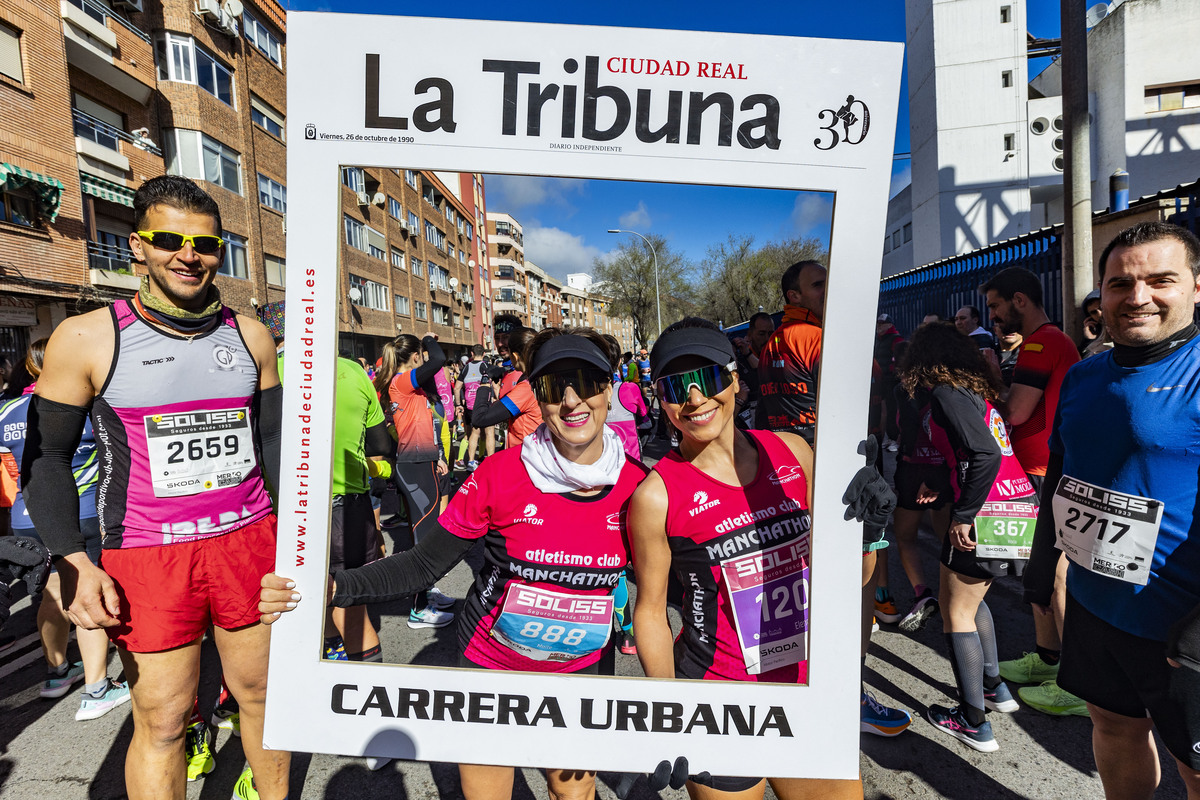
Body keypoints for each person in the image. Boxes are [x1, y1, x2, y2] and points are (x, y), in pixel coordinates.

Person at [261, 328, 649, 800]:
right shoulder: (498, 475)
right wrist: (333, 589)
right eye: (552, 387)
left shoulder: (641, 488)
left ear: (609, 389)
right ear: (536, 395)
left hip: (581, 675)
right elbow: (423, 565)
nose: (571, 401)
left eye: (587, 382)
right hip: (490, 672)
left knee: (573, 795)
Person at [20, 175, 288, 800]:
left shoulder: (250, 335)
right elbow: (46, 460)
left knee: (265, 697)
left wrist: (299, 545)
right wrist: (75, 561)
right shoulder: (87, 336)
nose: (188, 255)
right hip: (147, 551)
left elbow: (273, 446)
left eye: (205, 244)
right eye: (168, 239)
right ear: (137, 245)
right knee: (165, 720)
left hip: (247, 540)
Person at [629, 318, 901, 800]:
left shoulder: (794, 452)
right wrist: (666, 713)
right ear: (660, 399)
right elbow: (650, 609)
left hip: (806, 689)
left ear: (735, 379)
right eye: (675, 387)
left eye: (709, 378)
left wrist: (869, 535)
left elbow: (848, 579)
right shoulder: (656, 496)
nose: (694, 399)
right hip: (719, 699)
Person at [1024, 221, 1200, 798]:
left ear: (1195, 287)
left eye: (1161, 280)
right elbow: (1062, 476)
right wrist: (1039, 561)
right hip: (1096, 605)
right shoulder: (1084, 375)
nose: (1138, 296)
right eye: (1121, 283)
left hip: (1178, 622)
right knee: (1113, 726)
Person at [898, 322, 1033, 752]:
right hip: (1018, 503)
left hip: (987, 511)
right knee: (973, 602)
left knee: (957, 611)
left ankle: (973, 721)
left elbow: (985, 453)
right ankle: (994, 688)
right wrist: (943, 481)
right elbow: (973, 453)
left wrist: (964, 513)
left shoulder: (945, 393)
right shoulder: (975, 391)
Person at [0, 340, 130, 721]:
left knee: (52, 594)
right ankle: (97, 688)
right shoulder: (82, 405)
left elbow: (11, 467)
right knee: (87, 590)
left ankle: (57, 674)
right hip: (82, 513)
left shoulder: (6, 410)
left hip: (27, 516)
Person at [981, 266, 1082, 714]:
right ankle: (1048, 660)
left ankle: (1078, 683)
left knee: (1056, 575)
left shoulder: (1042, 342)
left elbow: (1016, 413)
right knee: (1040, 575)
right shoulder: (1047, 342)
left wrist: (987, 378)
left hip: (1044, 471)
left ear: (1019, 300)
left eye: (997, 306)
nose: (995, 316)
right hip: (1041, 468)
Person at [373, 334, 456, 629]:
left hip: (424, 463)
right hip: (414, 467)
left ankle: (428, 592)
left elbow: (426, 425)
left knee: (424, 536)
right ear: (415, 355)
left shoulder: (410, 385)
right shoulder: (401, 381)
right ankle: (418, 610)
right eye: (421, 354)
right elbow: (438, 360)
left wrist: (438, 457)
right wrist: (429, 340)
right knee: (425, 541)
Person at [757, 260, 826, 444]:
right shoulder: (817, 338)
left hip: (784, 455)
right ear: (794, 296)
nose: (828, 290)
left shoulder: (771, 344)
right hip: (821, 454)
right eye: (818, 285)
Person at [464, 327, 543, 449]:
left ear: (515, 356)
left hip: (526, 455)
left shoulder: (525, 389)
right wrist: (502, 371)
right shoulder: (537, 378)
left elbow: (480, 418)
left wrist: (485, 382)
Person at [455, 344, 496, 470]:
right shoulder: (486, 366)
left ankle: (471, 462)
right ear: (484, 354)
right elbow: (494, 385)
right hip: (485, 404)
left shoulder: (465, 368)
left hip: (470, 406)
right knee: (489, 433)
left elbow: (457, 388)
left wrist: (458, 404)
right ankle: (490, 462)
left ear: (472, 354)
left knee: (474, 433)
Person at [732, 312, 775, 428]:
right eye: (761, 334)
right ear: (750, 335)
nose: (767, 338)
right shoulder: (739, 364)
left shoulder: (779, 357)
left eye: (771, 333)